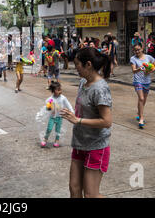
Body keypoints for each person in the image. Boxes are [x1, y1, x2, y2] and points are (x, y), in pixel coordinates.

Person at [60, 47, 112, 198]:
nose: (75, 67)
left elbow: (107, 121)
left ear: (88, 64)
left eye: (77, 64)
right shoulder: (83, 82)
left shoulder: (100, 89)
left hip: (96, 146)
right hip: (80, 142)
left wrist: (78, 120)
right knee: (74, 189)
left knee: (91, 194)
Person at [130, 43, 155, 129]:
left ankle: (139, 113)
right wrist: (140, 68)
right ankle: (141, 118)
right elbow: (134, 70)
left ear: (142, 49)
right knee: (141, 98)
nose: (137, 51)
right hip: (137, 81)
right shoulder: (133, 58)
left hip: (147, 81)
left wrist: (151, 70)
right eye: (135, 50)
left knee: (143, 100)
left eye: (138, 49)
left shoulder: (148, 57)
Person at [41, 81, 74, 148]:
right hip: (52, 117)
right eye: (58, 90)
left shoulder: (63, 98)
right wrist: (50, 108)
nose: (60, 91)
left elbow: (68, 105)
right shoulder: (50, 99)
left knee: (58, 130)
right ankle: (45, 139)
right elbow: (48, 108)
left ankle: (57, 140)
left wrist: (72, 111)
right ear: (53, 91)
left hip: (59, 117)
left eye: (60, 89)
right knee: (49, 129)